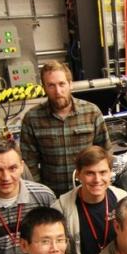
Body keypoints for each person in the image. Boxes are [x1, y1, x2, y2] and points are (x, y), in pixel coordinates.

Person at [20, 61, 111, 196]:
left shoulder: (91, 112)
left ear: (70, 84)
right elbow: (29, 164)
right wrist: (40, 193)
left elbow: (105, 153)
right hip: (52, 194)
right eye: (51, 85)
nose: (58, 91)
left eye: (62, 84)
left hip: (88, 191)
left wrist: (102, 185)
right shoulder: (32, 118)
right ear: (44, 87)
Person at [53, 146, 127, 254]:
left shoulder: (124, 201)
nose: (97, 179)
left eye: (103, 172)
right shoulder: (61, 210)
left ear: (110, 173)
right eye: (90, 173)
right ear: (78, 175)